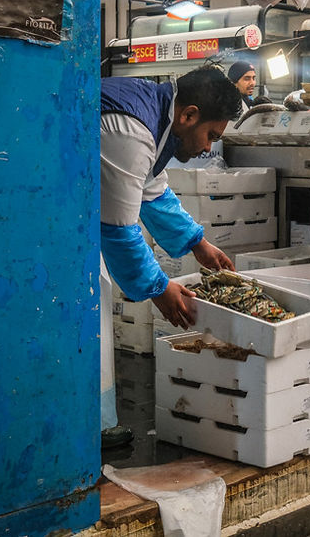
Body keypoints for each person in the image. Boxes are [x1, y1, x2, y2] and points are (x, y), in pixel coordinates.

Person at [98, 66, 242, 447]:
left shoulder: (157, 119)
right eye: (210, 135)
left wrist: (198, 243)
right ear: (189, 115)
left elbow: (154, 192)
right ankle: (83, 428)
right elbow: (118, 229)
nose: (209, 148)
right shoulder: (130, 130)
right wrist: (159, 289)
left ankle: (92, 423)